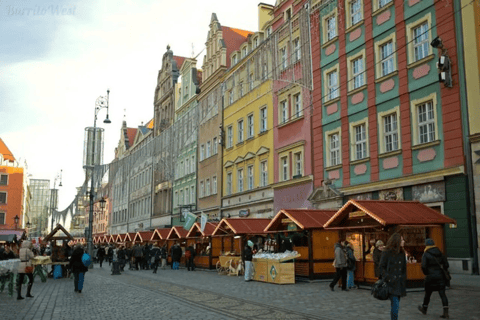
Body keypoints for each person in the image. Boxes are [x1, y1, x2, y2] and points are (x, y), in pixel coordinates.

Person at [418, 238, 450, 319]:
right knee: (442, 294)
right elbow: (446, 265)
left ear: (426, 245)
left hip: (430, 277)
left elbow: (423, 266)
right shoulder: (440, 252)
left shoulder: (426, 254)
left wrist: (426, 273)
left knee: (428, 294)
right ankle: (446, 312)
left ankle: (424, 308)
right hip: (440, 276)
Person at [379, 233, 407, 320]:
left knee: (396, 304)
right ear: (397, 241)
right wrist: (388, 277)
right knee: (395, 305)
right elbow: (381, 267)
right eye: (402, 240)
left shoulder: (402, 253)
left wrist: (403, 278)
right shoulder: (387, 252)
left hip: (399, 283)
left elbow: (403, 268)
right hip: (391, 283)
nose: (403, 241)